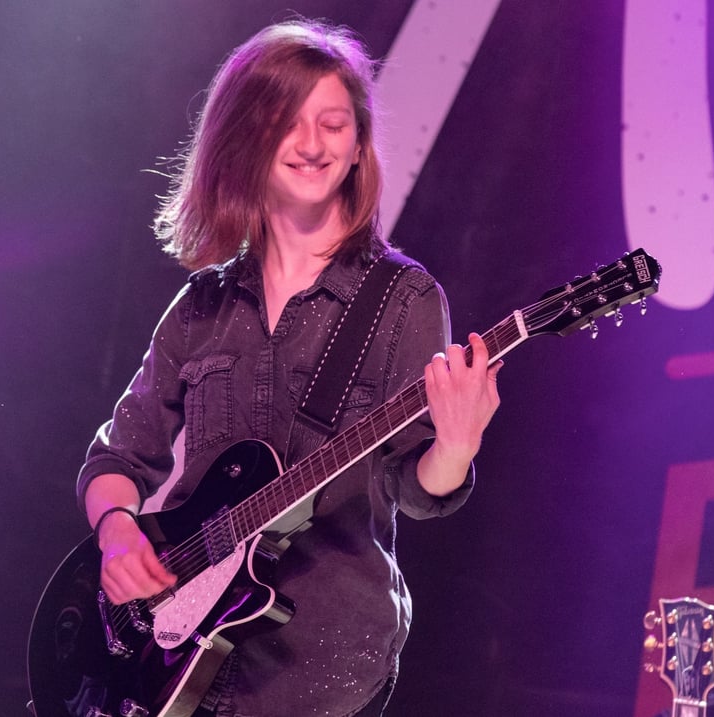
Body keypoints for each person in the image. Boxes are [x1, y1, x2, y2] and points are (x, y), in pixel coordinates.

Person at [77, 18, 502, 717]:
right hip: (176, 665)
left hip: (322, 668)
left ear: (360, 144)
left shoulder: (403, 298)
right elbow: (116, 458)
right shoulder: (202, 305)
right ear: (246, 139)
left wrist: (455, 447)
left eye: (333, 124)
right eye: (286, 122)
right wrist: (118, 529)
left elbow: (416, 486)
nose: (311, 145)